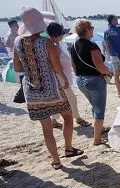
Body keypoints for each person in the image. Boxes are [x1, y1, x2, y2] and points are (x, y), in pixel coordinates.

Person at [13, 7, 83, 170]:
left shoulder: (17, 42)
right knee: (67, 116)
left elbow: (17, 68)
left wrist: (32, 64)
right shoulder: (47, 43)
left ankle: (56, 161)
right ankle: (68, 148)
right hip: (52, 88)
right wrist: (64, 80)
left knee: (47, 129)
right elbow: (57, 67)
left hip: (32, 91)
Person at [71, 18, 112, 146]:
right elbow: (99, 65)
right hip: (94, 80)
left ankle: (100, 128)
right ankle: (97, 139)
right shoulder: (92, 46)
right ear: (87, 30)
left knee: (94, 105)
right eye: (92, 27)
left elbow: (73, 65)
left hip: (80, 79)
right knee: (99, 109)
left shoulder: (74, 45)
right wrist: (108, 73)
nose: (93, 29)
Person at [46, 22, 91, 128]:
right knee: (72, 99)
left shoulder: (53, 45)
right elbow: (56, 65)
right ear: (59, 34)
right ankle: (78, 118)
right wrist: (64, 78)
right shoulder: (54, 46)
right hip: (60, 78)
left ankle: (54, 120)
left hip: (57, 78)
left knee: (58, 100)